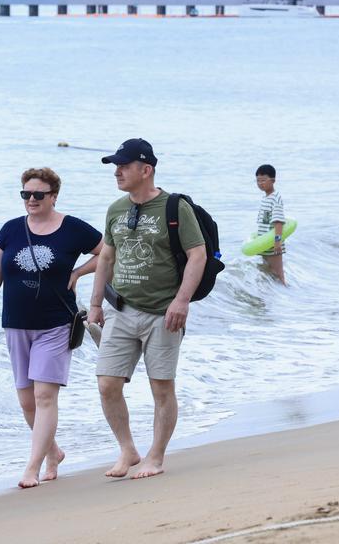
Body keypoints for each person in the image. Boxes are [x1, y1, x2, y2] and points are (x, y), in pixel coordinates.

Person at [0, 167, 103, 489]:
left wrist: (79, 272)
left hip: (56, 323)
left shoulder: (72, 228)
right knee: (27, 401)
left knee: (43, 396)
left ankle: (32, 466)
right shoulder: (10, 230)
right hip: (16, 324)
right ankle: (53, 452)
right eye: (26, 194)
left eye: (38, 195)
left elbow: (108, 250)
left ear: (54, 196)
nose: (31, 200)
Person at [87, 138, 206, 480]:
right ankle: (128, 449)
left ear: (146, 169)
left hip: (163, 313)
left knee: (161, 388)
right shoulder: (115, 209)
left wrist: (182, 300)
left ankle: (156, 455)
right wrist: (95, 304)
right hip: (120, 311)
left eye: (123, 166)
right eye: (115, 166)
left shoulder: (174, 208)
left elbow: (197, 255)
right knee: (107, 384)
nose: (118, 172)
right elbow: (106, 257)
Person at [254, 164, 287, 285]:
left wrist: (277, 242)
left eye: (263, 180)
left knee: (277, 273)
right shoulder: (265, 198)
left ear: (273, 180)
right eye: (258, 180)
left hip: (274, 244)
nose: (260, 183)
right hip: (265, 244)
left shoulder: (275, 198)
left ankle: (285, 294)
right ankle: (273, 298)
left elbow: (278, 222)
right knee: (268, 273)